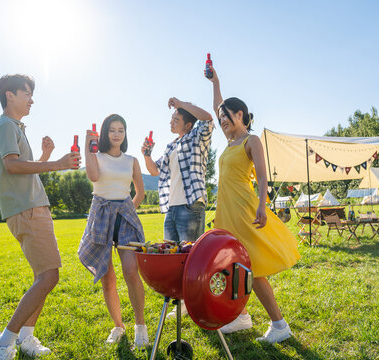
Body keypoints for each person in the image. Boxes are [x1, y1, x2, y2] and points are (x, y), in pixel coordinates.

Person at [0, 74, 81, 360]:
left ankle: (26, 338)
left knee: (44, 275)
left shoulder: (15, 128)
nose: (32, 99)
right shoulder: (5, 126)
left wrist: (44, 155)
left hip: (32, 206)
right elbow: (12, 166)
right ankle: (2, 344)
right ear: (9, 94)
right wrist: (58, 163)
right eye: (27, 93)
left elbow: (22, 171)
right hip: (27, 210)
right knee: (50, 276)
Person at [205, 66, 301, 343]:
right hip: (226, 213)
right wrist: (216, 82)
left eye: (226, 116)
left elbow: (262, 175)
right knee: (232, 265)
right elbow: (216, 106)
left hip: (246, 211)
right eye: (220, 117)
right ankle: (241, 317)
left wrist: (262, 204)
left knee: (252, 269)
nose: (222, 120)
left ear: (240, 115)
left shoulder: (250, 140)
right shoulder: (229, 141)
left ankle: (279, 325)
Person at [78, 114, 149, 348]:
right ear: (105, 133)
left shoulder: (132, 160)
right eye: (112, 130)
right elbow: (93, 176)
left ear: (125, 133)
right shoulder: (96, 157)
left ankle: (141, 326)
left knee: (131, 271)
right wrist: (87, 149)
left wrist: (127, 211)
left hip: (125, 218)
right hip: (100, 215)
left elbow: (140, 191)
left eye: (121, 130)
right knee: (107, 278)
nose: (117, 134)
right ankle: (118, 326)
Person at [142, 97, 213, 317]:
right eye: (171, 118)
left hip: (190, 206)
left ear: (188, 125)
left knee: (191, 257)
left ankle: (196, 302)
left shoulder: (196, 139)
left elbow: (208, 119)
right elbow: (154, 171)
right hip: (172, 208)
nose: (171, 121)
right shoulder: (171, 146)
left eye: (176, 118)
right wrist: (146, 155)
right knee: (172, 257)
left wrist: (181, 103)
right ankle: (181, 301)